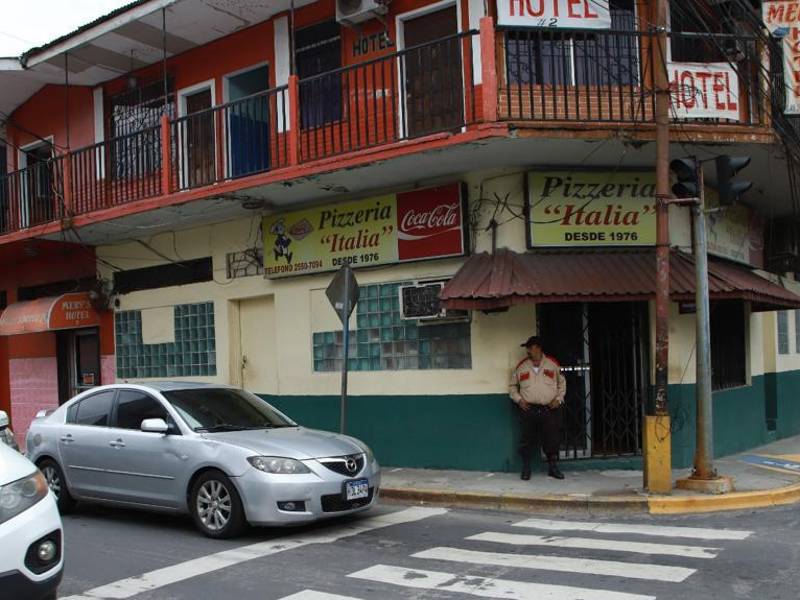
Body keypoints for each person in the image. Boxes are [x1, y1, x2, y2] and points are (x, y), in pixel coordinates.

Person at [509, 335, 566, 480]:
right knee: (527, 439)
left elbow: (562, 384)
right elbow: (512, 387)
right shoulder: (521, 366)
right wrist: (519, 400)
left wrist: (558, 399)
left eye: (530, 347)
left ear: (538, 348)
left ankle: (553, 467)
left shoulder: (552, 364)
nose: (527, 350)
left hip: (549, 409)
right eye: (527, 348)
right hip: (529, 409)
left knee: (551, 439)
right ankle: (526, 468)